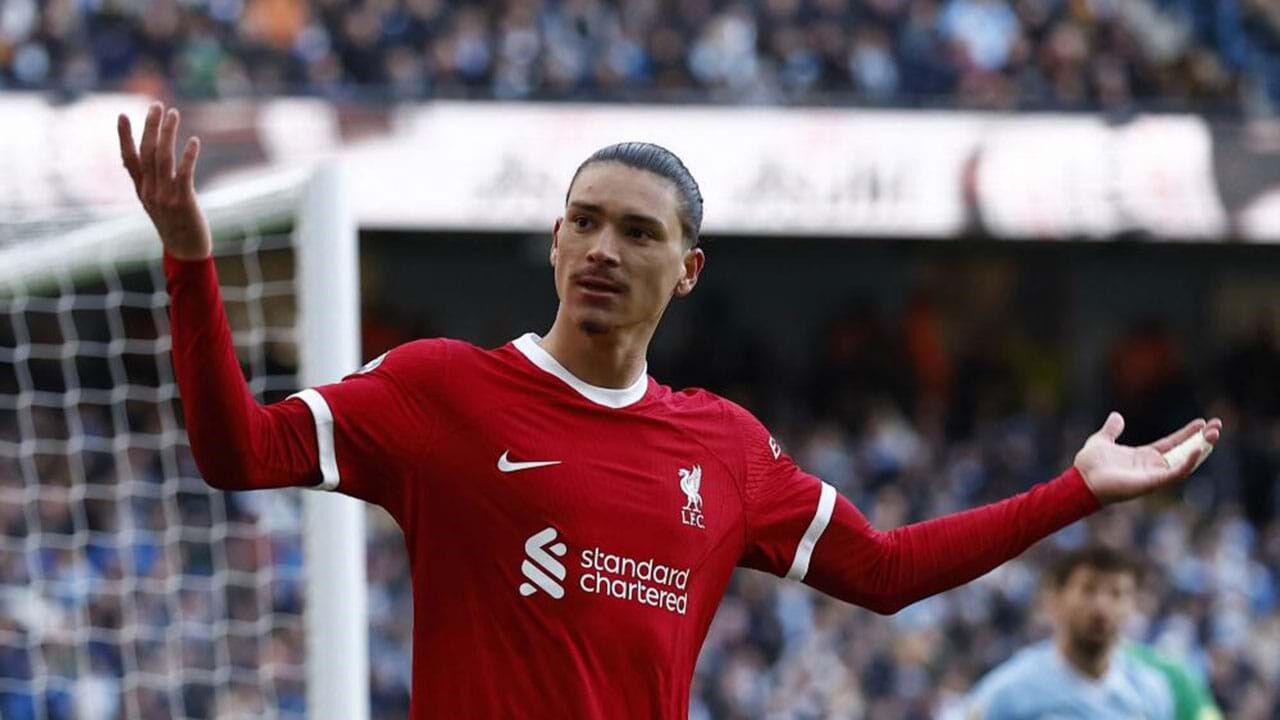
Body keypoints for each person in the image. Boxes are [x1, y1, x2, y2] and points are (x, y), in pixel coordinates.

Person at [116, 102, 1223, 719]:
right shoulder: (440, 388)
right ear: (554, 239)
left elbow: (887, 573)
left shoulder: (726, 448)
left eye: (637, 232)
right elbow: (236, 451)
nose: (602, 248)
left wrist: (1074, 492)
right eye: (583, 221)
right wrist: (190, 262)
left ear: (686, 270)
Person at [966, 546, 1223, 720]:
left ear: (1133, 607)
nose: (1101, 607)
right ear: (1054, 600)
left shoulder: (1150, 690)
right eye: (1088, 590)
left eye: (1116, 594)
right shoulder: (1009, 691)